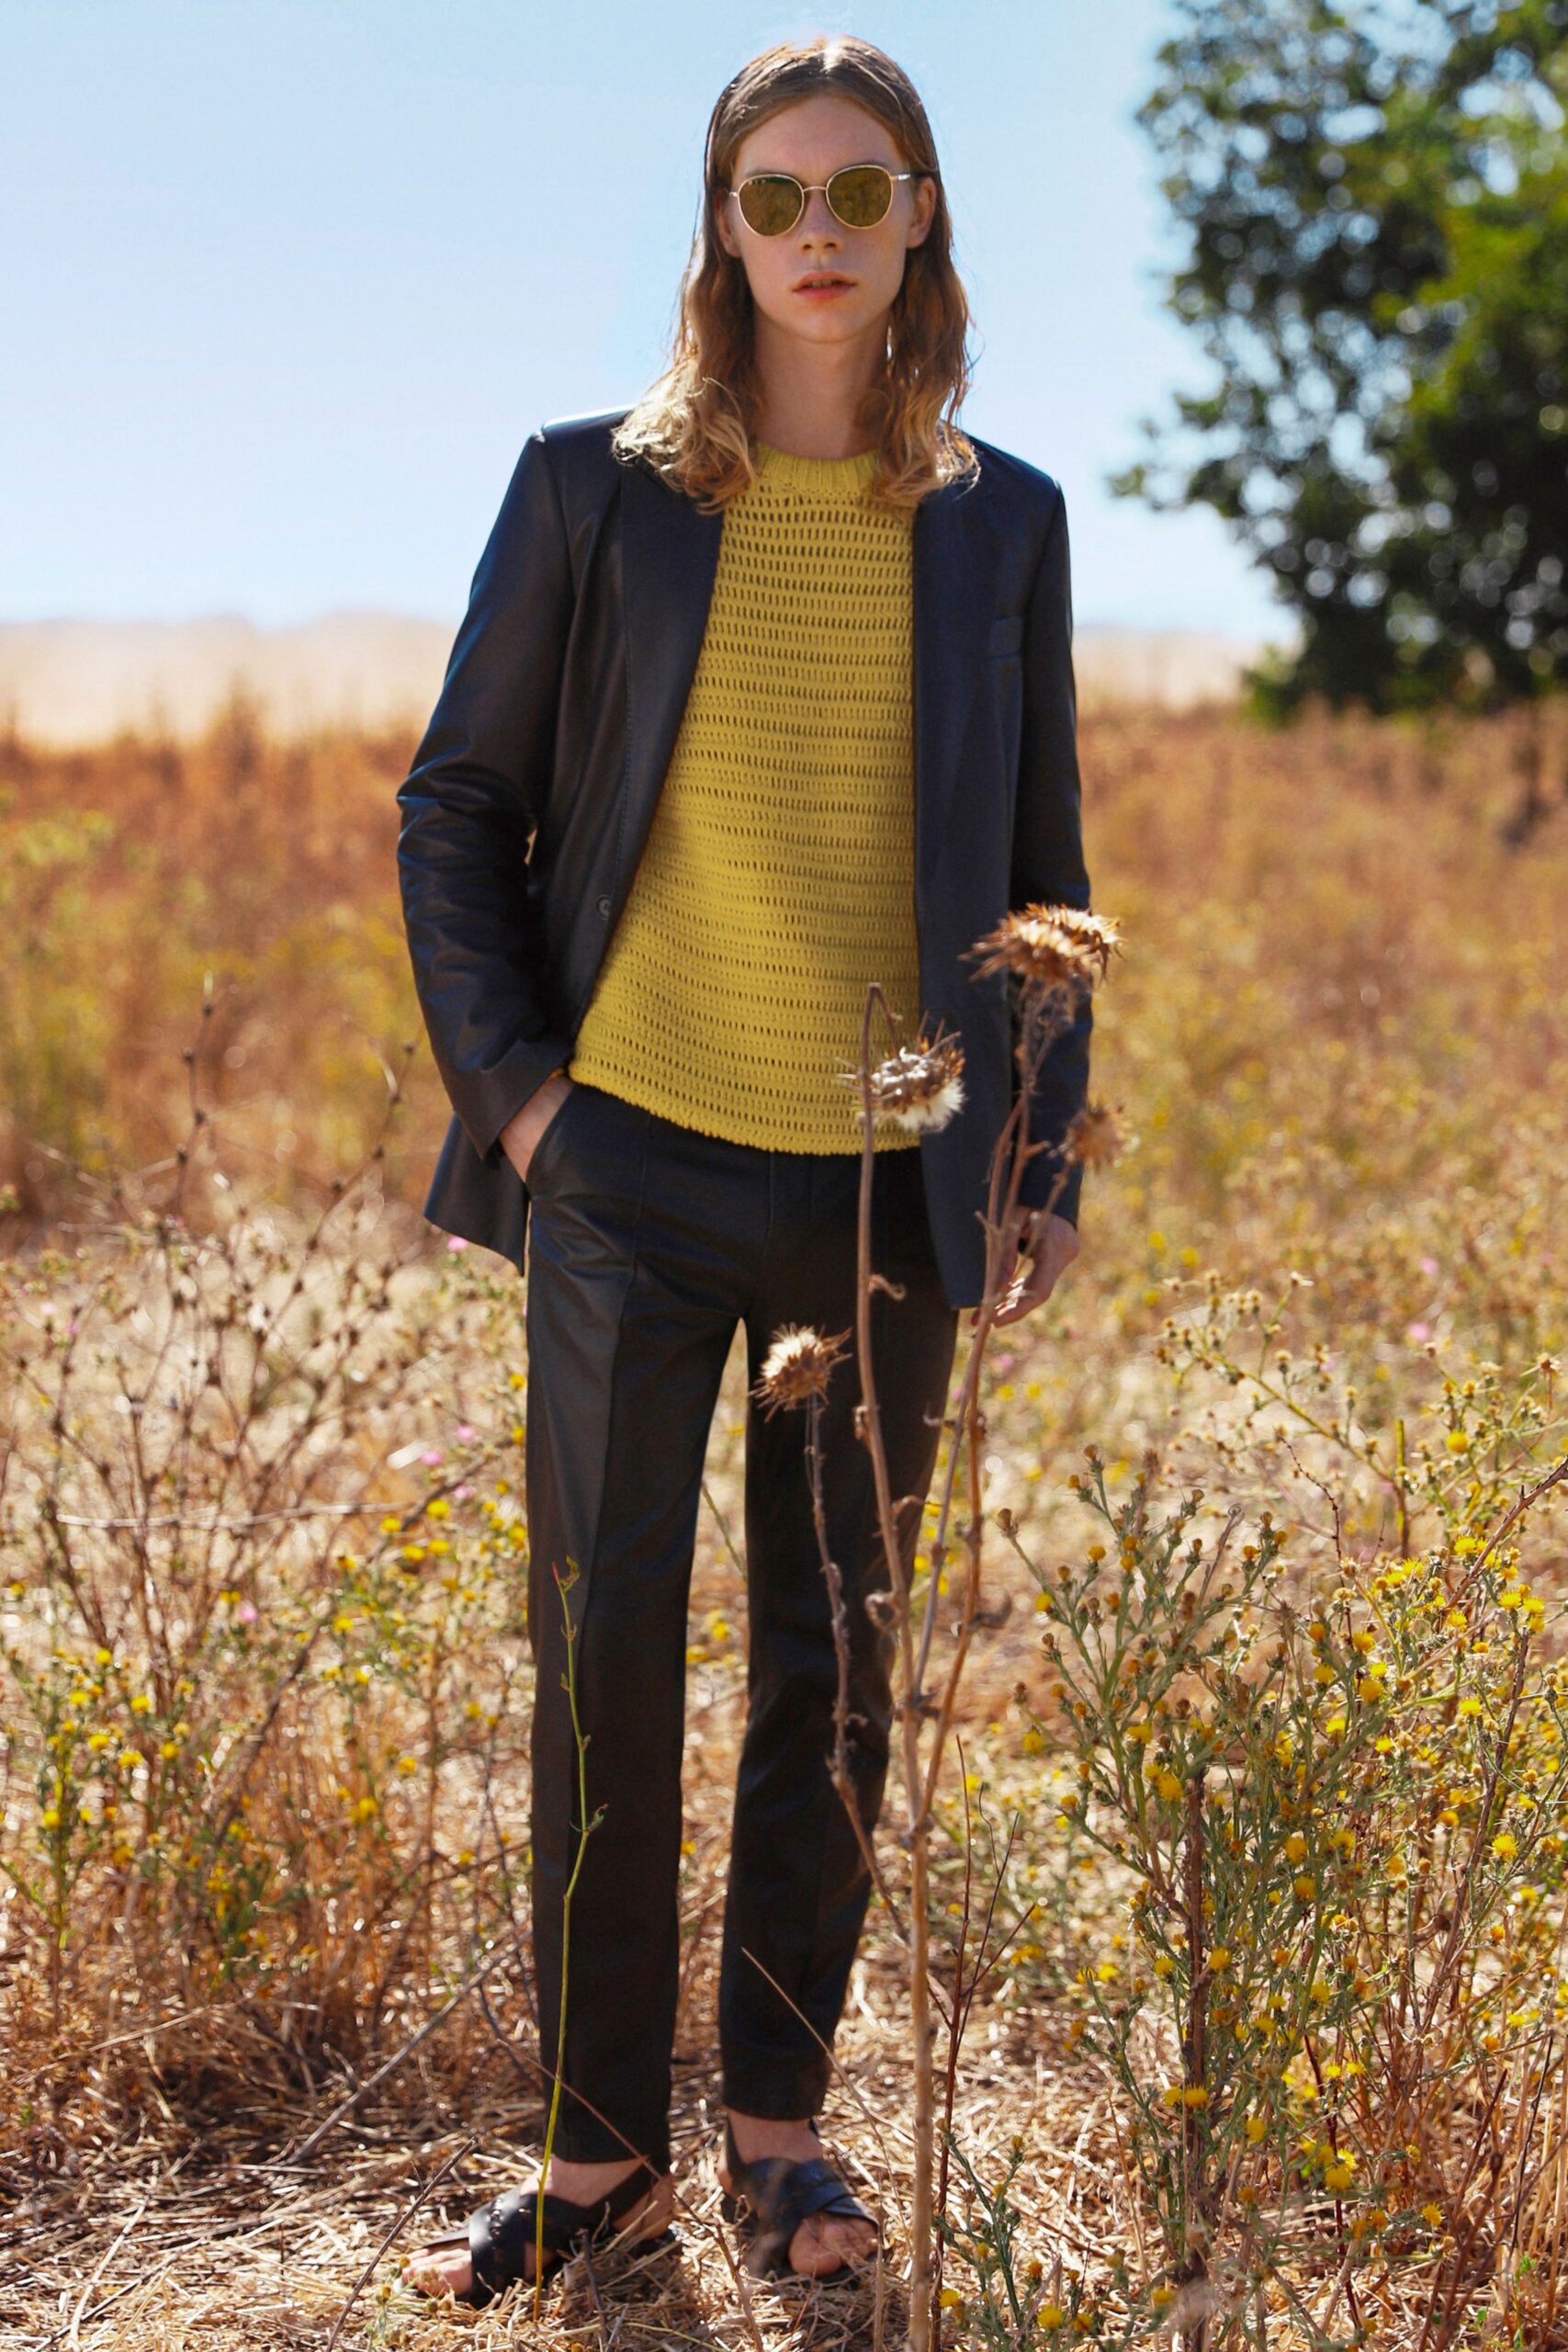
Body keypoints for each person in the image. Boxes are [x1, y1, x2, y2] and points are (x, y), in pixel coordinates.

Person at [394, 31, 1093, 2310]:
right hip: (628, 1166)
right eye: (772, 195)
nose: (814, 235)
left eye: (855, 193)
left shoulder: (1002, 522)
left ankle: (778, 2135)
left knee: (837, 1670)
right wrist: (527, 1105)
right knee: (600, 1657)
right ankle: (596, 2153)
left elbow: (1043, 866)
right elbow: (454, 806)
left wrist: (1031, 1159)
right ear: (720, 225)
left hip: (889, 1184)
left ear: (918, 219)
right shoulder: (587, 492)